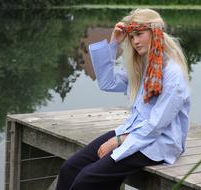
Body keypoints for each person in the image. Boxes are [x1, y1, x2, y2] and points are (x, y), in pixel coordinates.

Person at [56, 8, 190, 190]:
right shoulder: (142, 65)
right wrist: (114, 43)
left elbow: (156, 125)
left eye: (139, 34)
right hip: (132, 131)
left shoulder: (173, 74)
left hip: (157, 143)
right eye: (131, 37)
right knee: (70, 168)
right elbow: (108, 83)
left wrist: (118, 141)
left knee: (86, 180)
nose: (134, 41)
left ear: (155, 33)